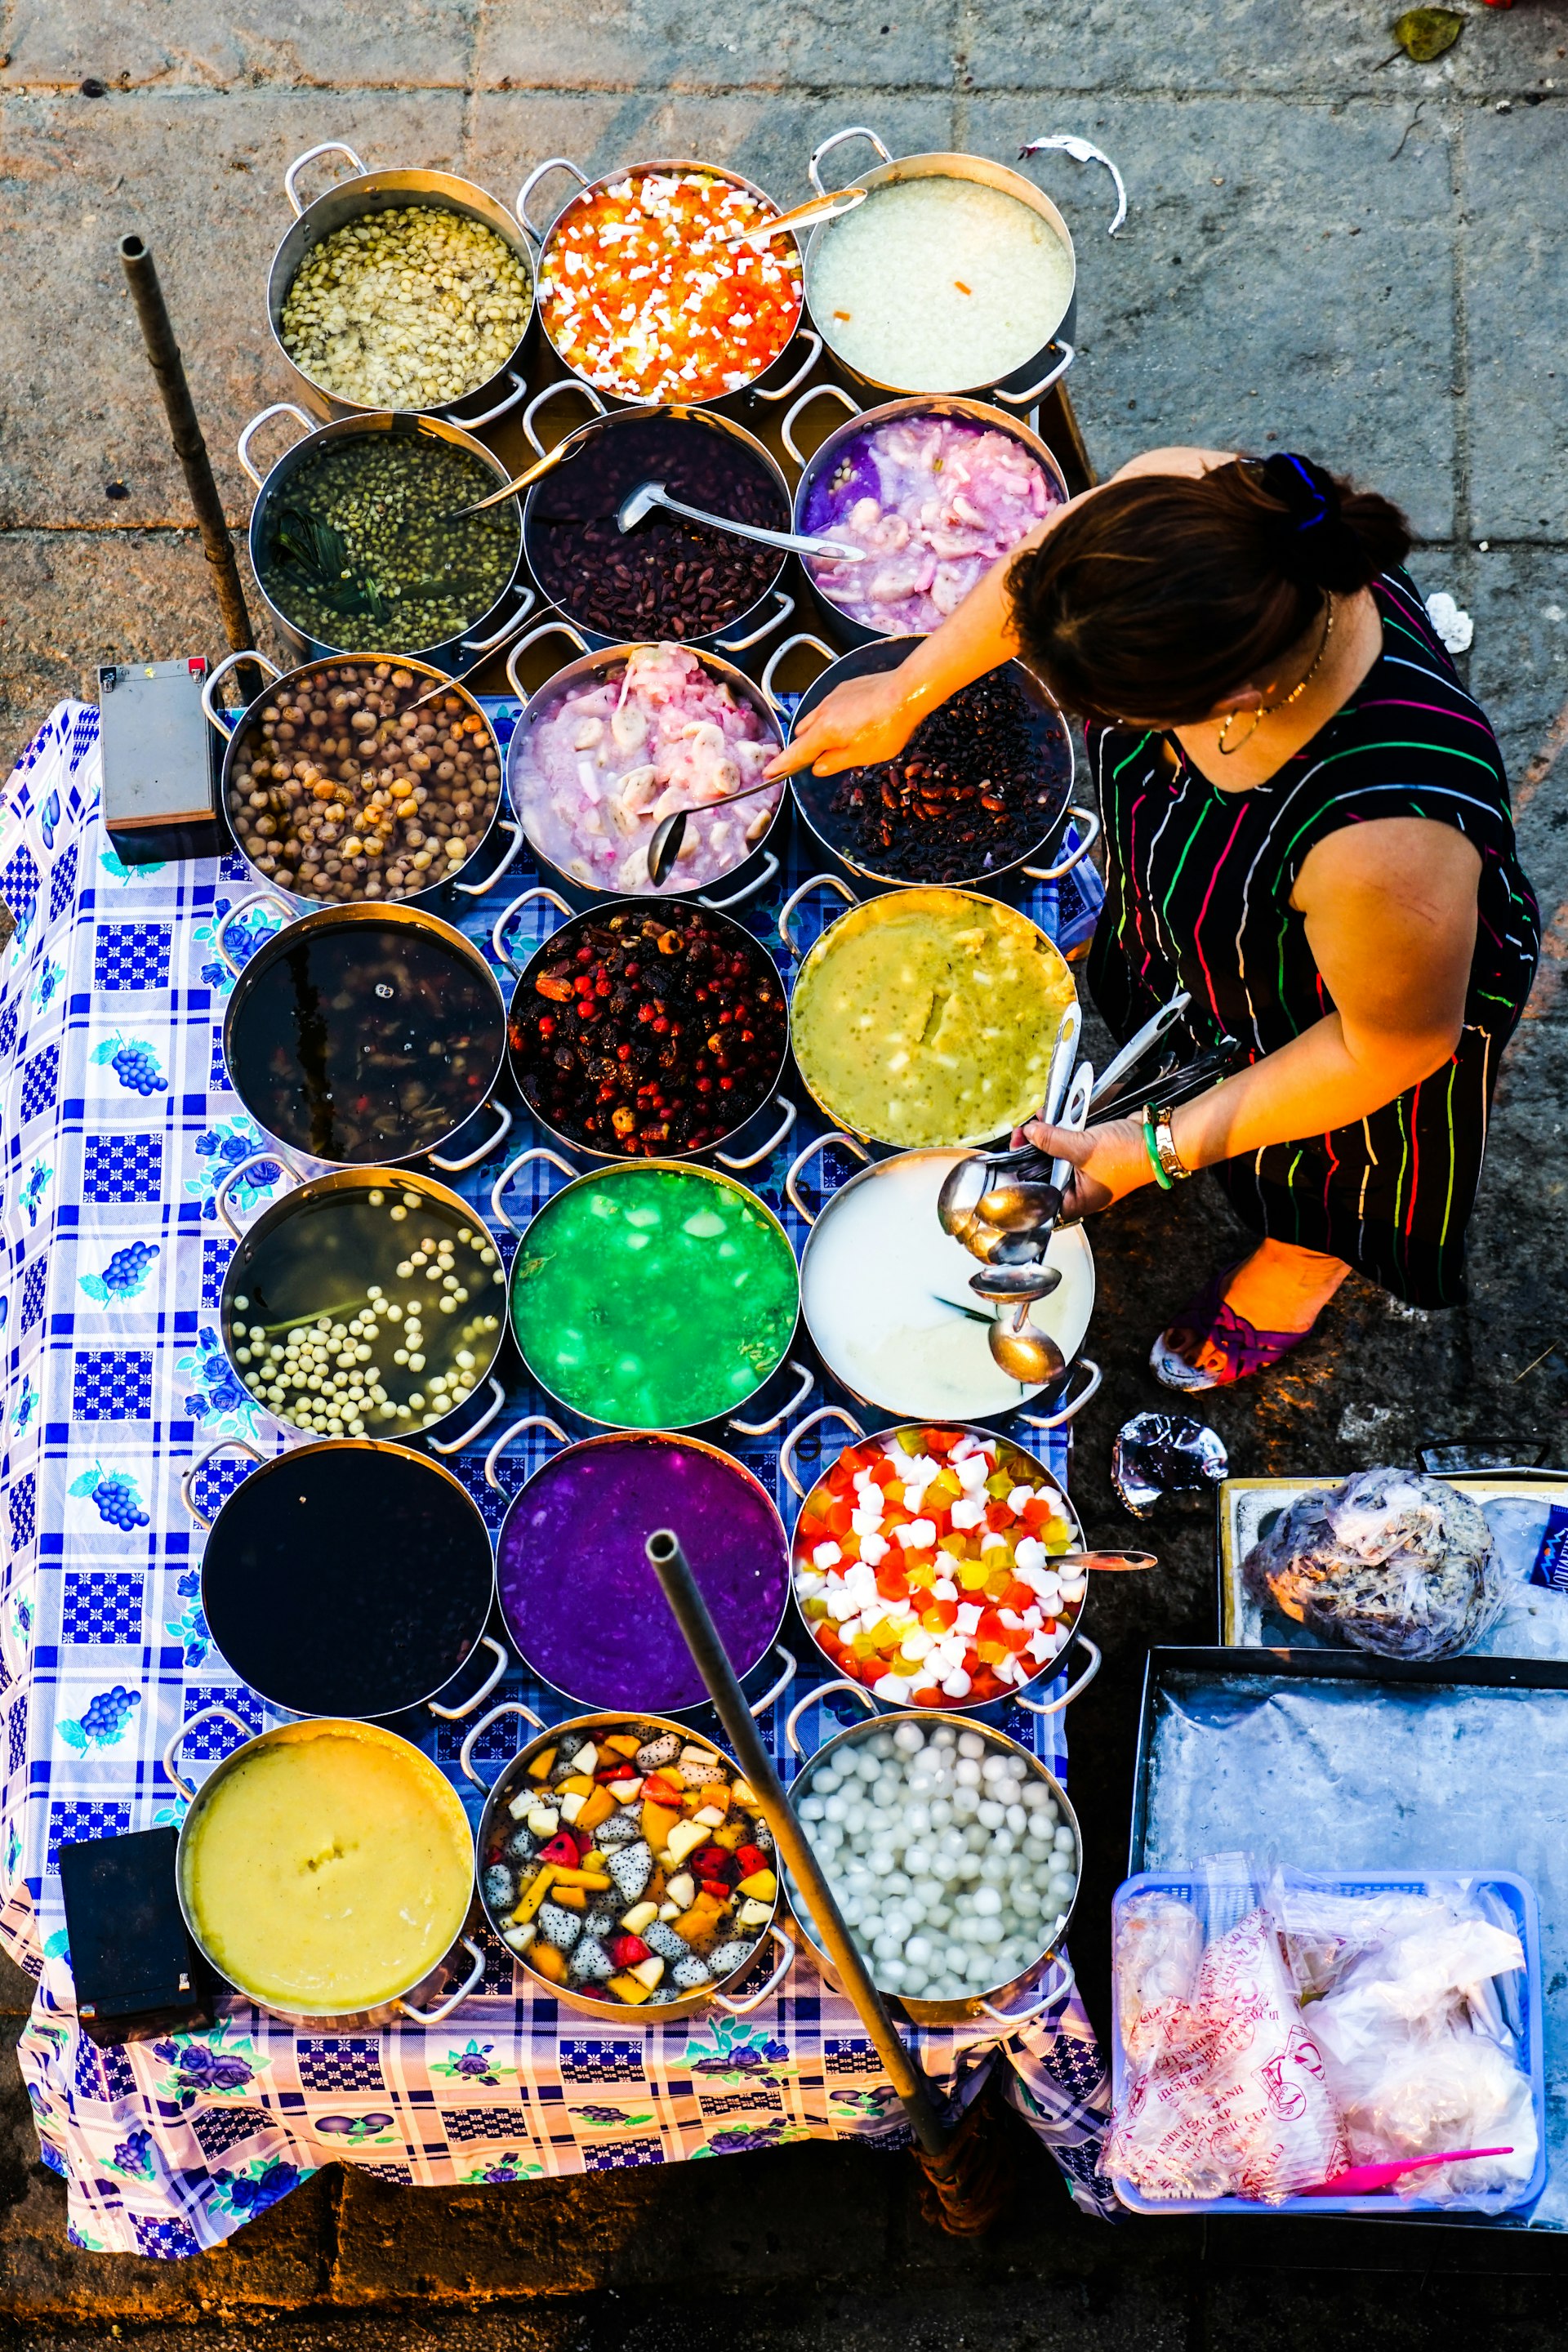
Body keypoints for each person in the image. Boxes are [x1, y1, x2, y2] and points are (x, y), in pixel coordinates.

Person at [768, 448, 1539, 1389]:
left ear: (1234, 703)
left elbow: (1387, 1049)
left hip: (1352, 1011)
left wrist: (1151, 1150)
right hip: (1208, 936)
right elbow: (1049, 571)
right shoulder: (1204, 504)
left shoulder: (1385, 842)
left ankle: (1301, 1266)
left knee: (1322, 1177)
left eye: (1114, 709)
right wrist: (909, 689)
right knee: (1166, 1020)